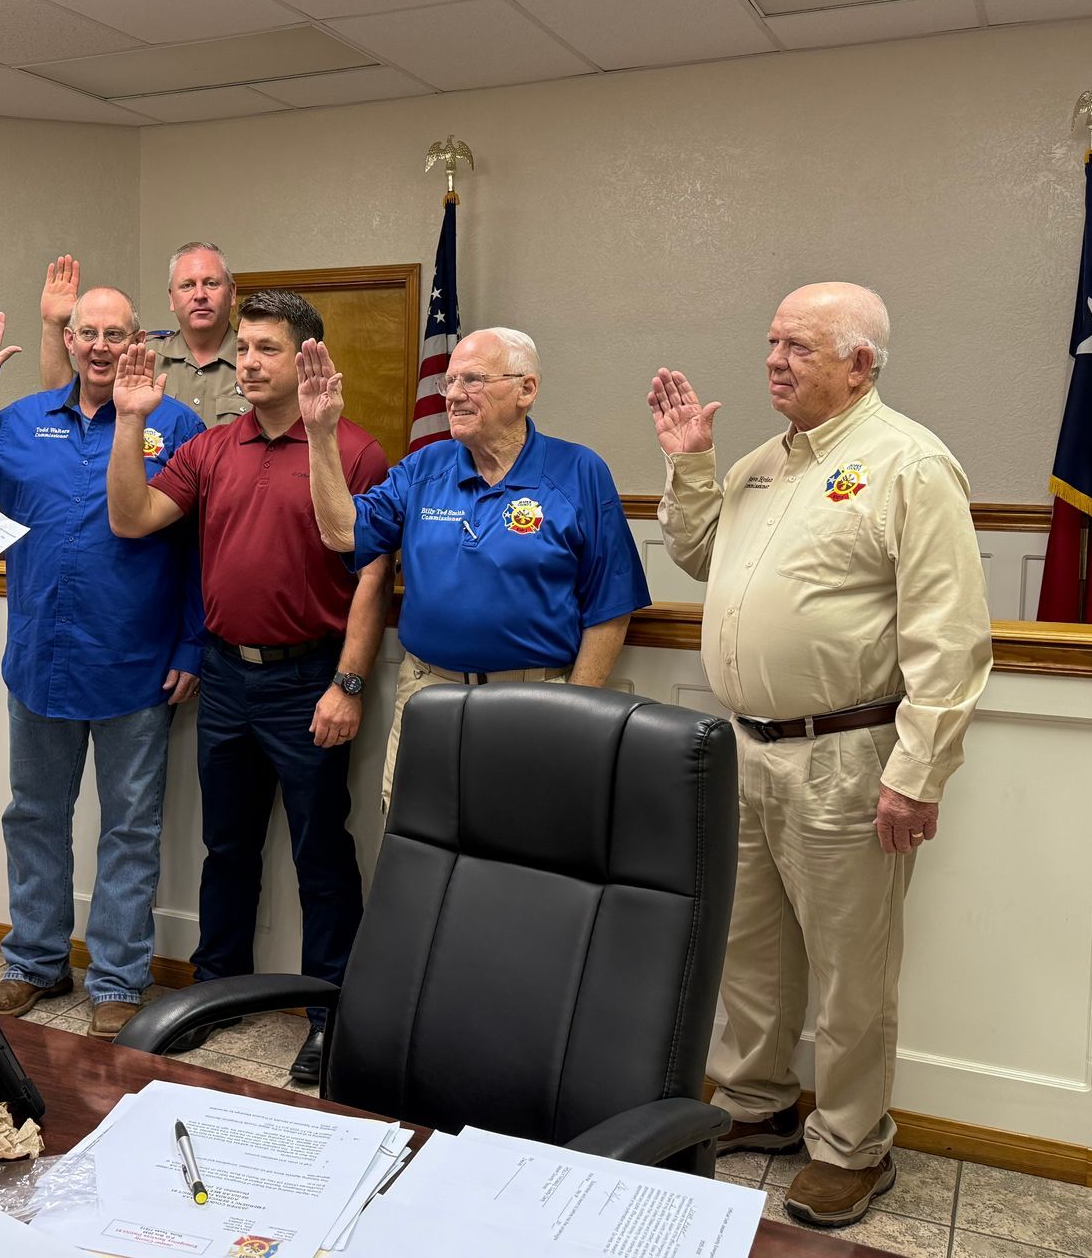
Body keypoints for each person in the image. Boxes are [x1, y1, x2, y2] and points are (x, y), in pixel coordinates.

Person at [648, 282, 991, 1228]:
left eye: (798, 345)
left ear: (859, 364)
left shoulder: (909, 464)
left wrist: (916, 774)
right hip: (746, 752)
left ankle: (851, 1146)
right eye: (770, 342)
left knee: (852, 968)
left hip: (850, 757)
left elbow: (951, 639)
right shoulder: (763, 466)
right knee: (749, 950)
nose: (773, 360)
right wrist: (692, 465)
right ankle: (757, 1103)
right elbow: (702, 555)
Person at [106, 289, 391, 1084]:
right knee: (226, 848)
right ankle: (213, 994)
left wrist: (350, 683)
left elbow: (372, 580)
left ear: (306, 358)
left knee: (321, 853)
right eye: (248, 347)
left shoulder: (357, 452)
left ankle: (333, 1015)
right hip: (228, 676)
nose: (252, 362)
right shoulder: (212, 448)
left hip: (311, 679)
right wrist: (130, 420)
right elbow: (132, 518)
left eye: (269, 348)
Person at [0, 286, 205, 1041]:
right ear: (72, 339)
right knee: (36, 819)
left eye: (117, 332)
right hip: (42, 659)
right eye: (90, 332)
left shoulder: (176, 427)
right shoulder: (21, 424)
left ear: (136, 340)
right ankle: (35, 964)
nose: (103, 345)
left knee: (130, 829)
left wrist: (191, 644)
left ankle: (117, 978)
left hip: (138, 663)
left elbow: (197, 550)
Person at [297, 326, 650, 810]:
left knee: (524, 846)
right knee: (414, 844)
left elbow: (610, 605)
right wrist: (320, 433)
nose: (455, 395)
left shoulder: (579, 472)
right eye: (450, 381)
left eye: (474, 380)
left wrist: (578, 709)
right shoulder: (425, 468)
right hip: (426, 694)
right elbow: (343, 533)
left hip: (535, 700)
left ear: (526, 389)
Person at [39, 242, 250, 427]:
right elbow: (64, 398)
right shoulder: (138, 355)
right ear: (171, 298)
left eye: (211, 283)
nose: (200, 295)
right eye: (187, 285)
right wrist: (53, 323)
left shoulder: (255, 360)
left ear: (232, 293)